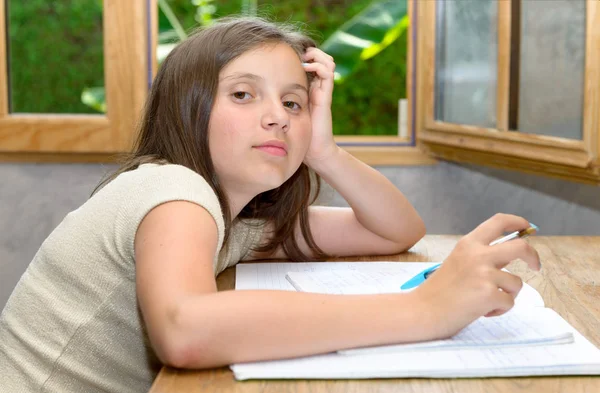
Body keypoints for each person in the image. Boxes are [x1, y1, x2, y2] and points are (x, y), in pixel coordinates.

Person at [0, 16, 540, 393]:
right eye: (243, 94)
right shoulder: (173, 192)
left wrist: (324, 152)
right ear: (187, 109)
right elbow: (184, 331)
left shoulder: (237, 219)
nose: (278, 116)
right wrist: (425, 310)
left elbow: (393, 231)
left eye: (293, 102)